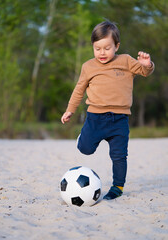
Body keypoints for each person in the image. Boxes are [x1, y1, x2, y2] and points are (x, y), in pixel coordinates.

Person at [61, 20, 154, 200]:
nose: (102, 53)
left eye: (107, 48)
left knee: (119, 155)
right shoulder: (88, 66)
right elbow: (79, 89)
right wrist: (70, 110)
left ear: (116, 46)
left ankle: (117, 187)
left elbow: (144, 72)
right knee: (86, 149)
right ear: (93, 47)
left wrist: (146, 65)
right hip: (95, 117)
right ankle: (83, 138)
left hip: (120, 119)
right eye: (97, 48)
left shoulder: (126, 61)